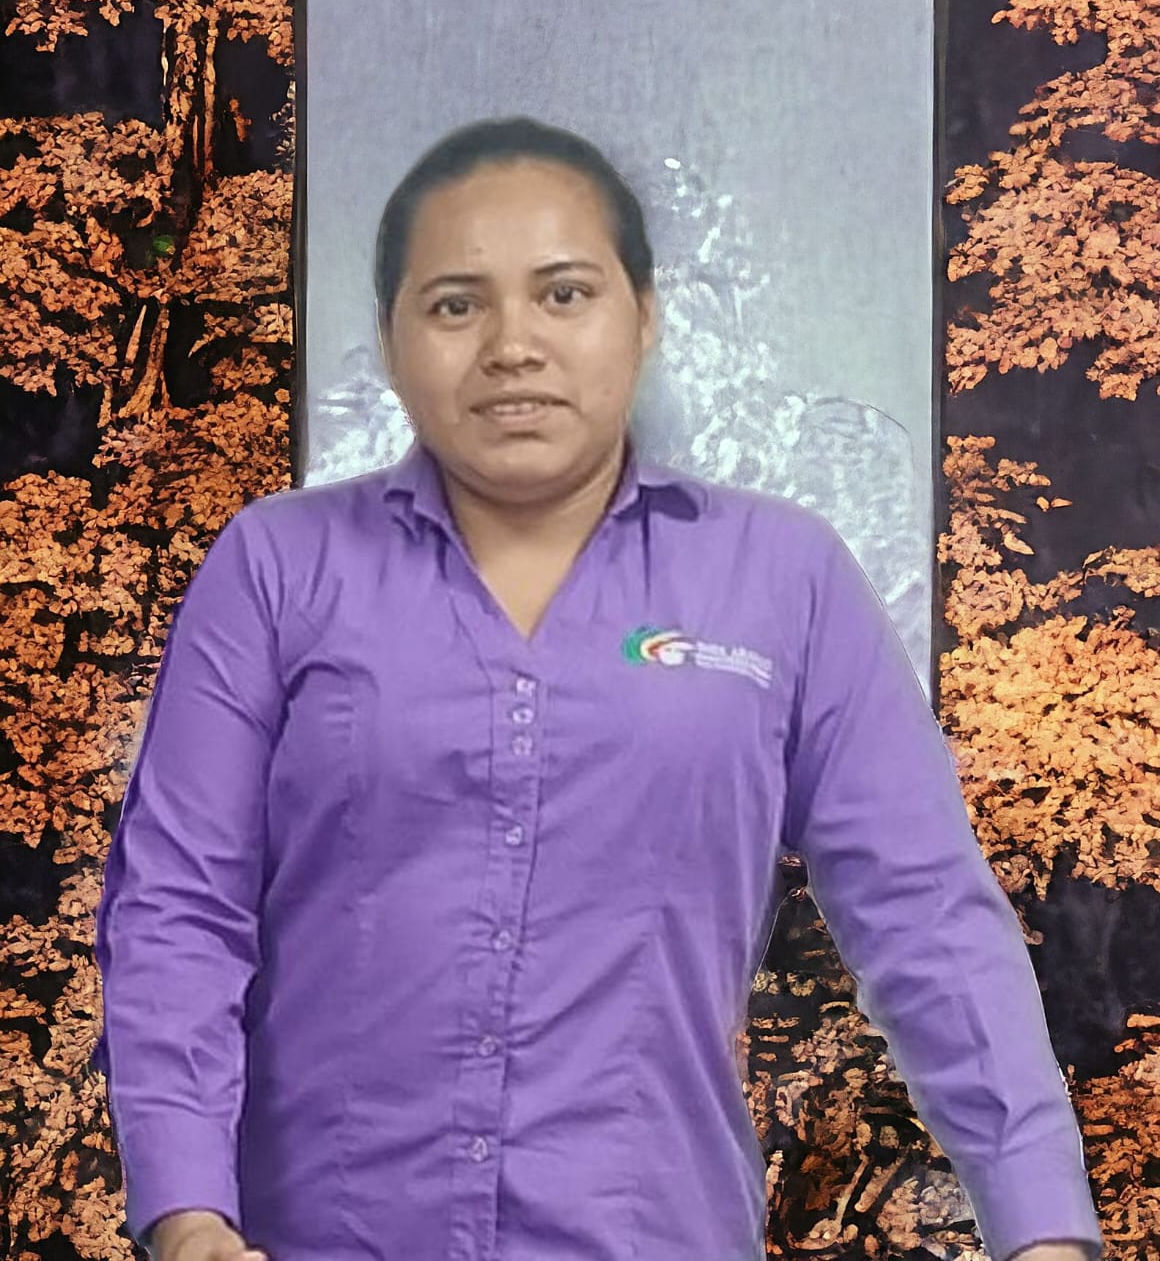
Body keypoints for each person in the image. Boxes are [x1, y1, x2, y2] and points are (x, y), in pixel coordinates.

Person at [91, 115, 1104, 1261]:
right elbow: (178, 904)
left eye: (563, 293)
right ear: (388, 336)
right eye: (455, 304)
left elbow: (925, 913)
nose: (511, 346)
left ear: (644, 314)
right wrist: (187, 1213)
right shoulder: (277, 567)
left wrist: (1041, 1228)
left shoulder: (782, 578)